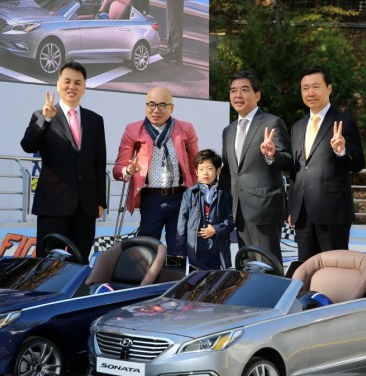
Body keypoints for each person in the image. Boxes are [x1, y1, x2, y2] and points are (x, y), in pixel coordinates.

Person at [21, 61, 107, 263]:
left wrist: (100, 199)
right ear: (58, 84)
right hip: (53, 204)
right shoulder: (41, 115)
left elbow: (99, 161)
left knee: (80, 260)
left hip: (85, 205)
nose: (72, 86)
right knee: (48, 263)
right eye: (67, 81)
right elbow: (28, 145)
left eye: (78, 82)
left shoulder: (95, 120)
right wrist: (46, 120)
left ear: (84, 87)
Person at [287, 66, 365, 265]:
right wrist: (292, 207)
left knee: (334, 271)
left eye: (316, 87)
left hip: (333, 213)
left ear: (329, 88)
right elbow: (297, 171)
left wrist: (341, 151)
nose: (310, 93)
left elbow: (357, 164)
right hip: (303, 215)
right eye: (305, 88)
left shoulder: (344, 122)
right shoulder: (297, 127)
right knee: (306, 269)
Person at [113, 86, 199, 255]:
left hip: (180, 198)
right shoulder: (133, 130)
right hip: (151, 199)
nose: (156, 110)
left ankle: (174, 278)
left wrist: (196, 197)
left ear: (171, 108)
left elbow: (195, 166)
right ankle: (148, 280)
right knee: (148, 247)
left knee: (178, 249)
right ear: (145, 106)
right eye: (151, 105)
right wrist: (128, 170)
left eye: (162, 105)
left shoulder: (185, 129)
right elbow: (118, 170)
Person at [220, 70, 292, 263]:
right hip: (239, 210)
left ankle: (277, 295)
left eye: (244, 90)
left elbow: (287, 161)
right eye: (234, 91)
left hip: (265, 209)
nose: (238, 95)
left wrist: (272, 155)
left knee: (268, 264)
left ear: (257, 95)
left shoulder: (271, 122)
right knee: (246, 265)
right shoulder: (228, 131)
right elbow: (229, 172)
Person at [177, 149, 234, 270]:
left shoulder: (224, 194)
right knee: (195, 283)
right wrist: (181, 250)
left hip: (218, 249)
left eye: (210, 169)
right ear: (196, 172)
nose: (205, 173)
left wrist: (216, 229)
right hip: (196, 250)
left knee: (218, 282)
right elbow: (182, 223)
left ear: (218, 170)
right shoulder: (189, 193)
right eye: (201, 169)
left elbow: (231, 219)